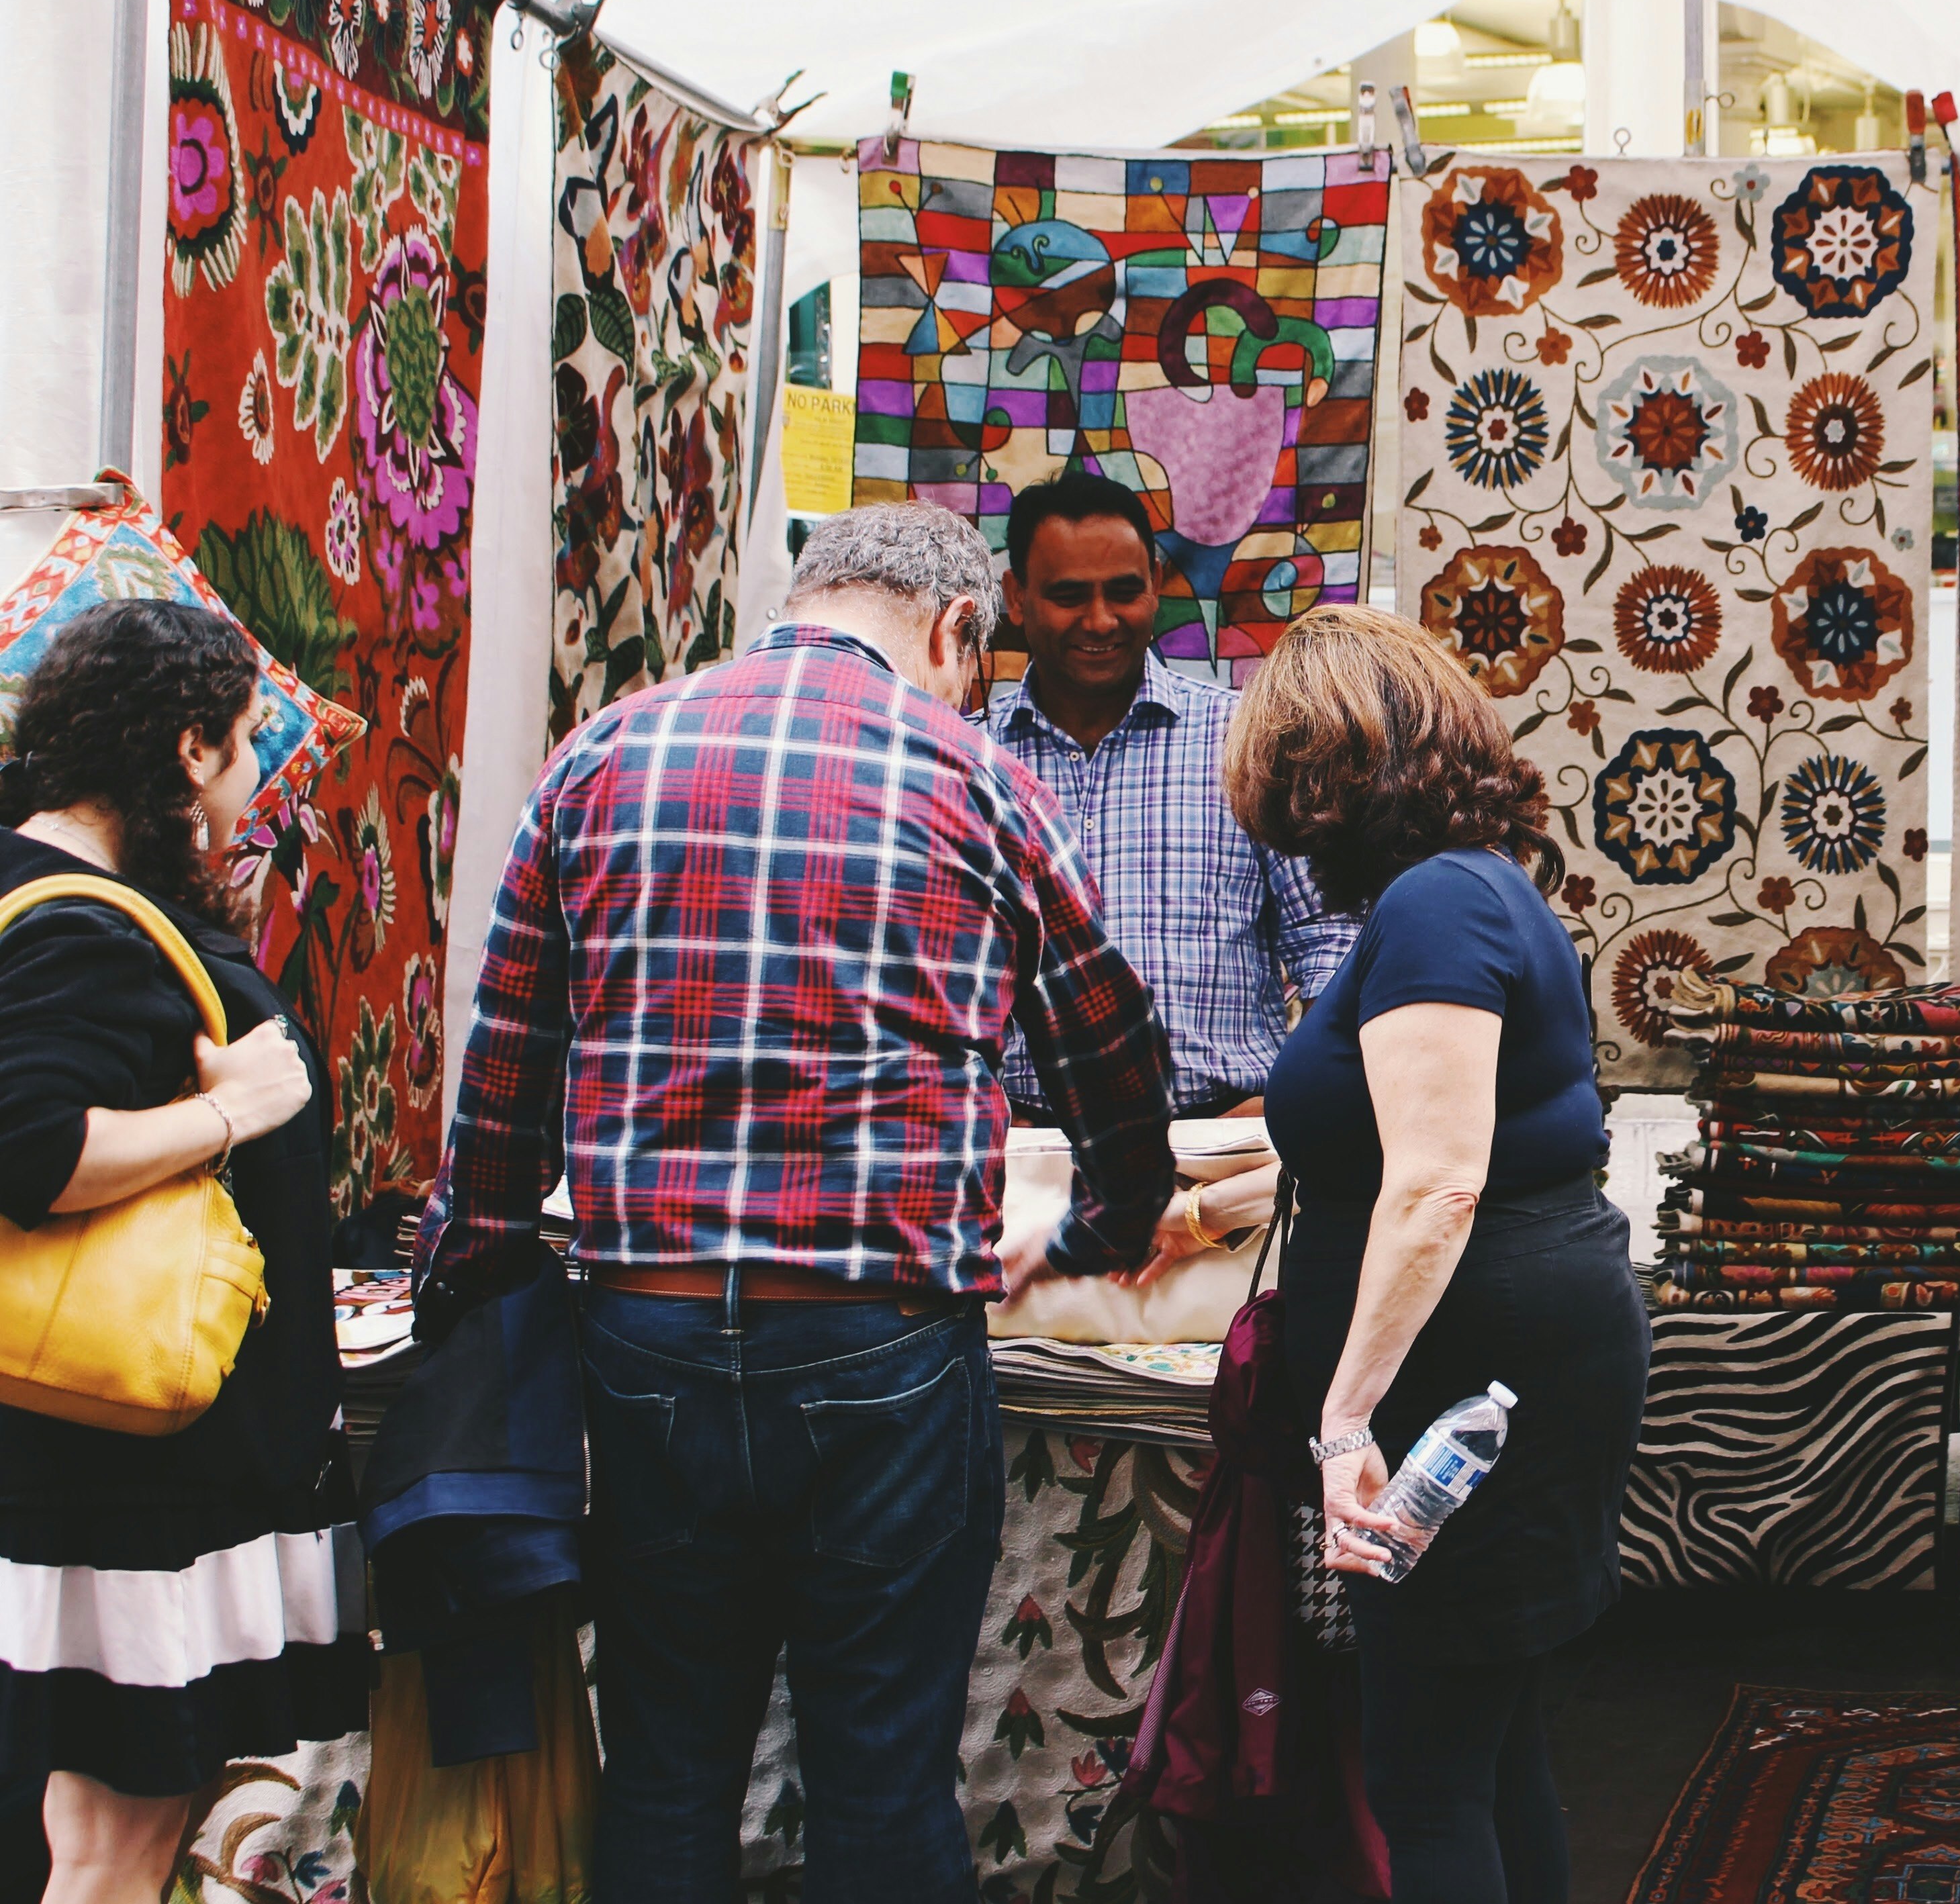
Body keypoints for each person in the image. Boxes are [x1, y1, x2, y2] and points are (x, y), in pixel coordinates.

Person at [415, 502, 1176, 1904]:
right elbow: (1111, 1052)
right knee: (878, 1771)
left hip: (641, 1341)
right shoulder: (973, 776)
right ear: (957, 628)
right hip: (879, 1343)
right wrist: (1105, 1226)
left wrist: (475, 1265)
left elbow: (505, 1057)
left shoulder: (602, 754)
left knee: (664, 1764)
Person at [1226, 608, 1648, 1904]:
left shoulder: (1431, 906)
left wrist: (1345, 1419)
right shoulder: (1467, 894)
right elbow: (1419, 1140)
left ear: (1326, 774)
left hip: (1468, 1387)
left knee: (1424, 1777)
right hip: (1507, 1353)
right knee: (1489, 1743)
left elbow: (1436, 1185)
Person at [0, 600, 367, 1904]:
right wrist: (233, 1111)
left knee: (88, 1831)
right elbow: (30, 1149)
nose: (259, 775)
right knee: (115, 1845)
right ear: (187, 746)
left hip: (88, 1464)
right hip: (129, 1482)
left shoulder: (37, 891)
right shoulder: (78, 927)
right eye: (248, 743)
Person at [987, 469, 1356, 1278]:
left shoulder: (1249, 742)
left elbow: (1329, 932)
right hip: (1019, 1166)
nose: (1100, 619)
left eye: (1124, 590)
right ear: (1014, 596)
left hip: (1223, 1163)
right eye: (1067, 595)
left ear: (1158, 584)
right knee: (1029, 1395)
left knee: (1227, 1393)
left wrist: (1300, 1092)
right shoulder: (963, 760)